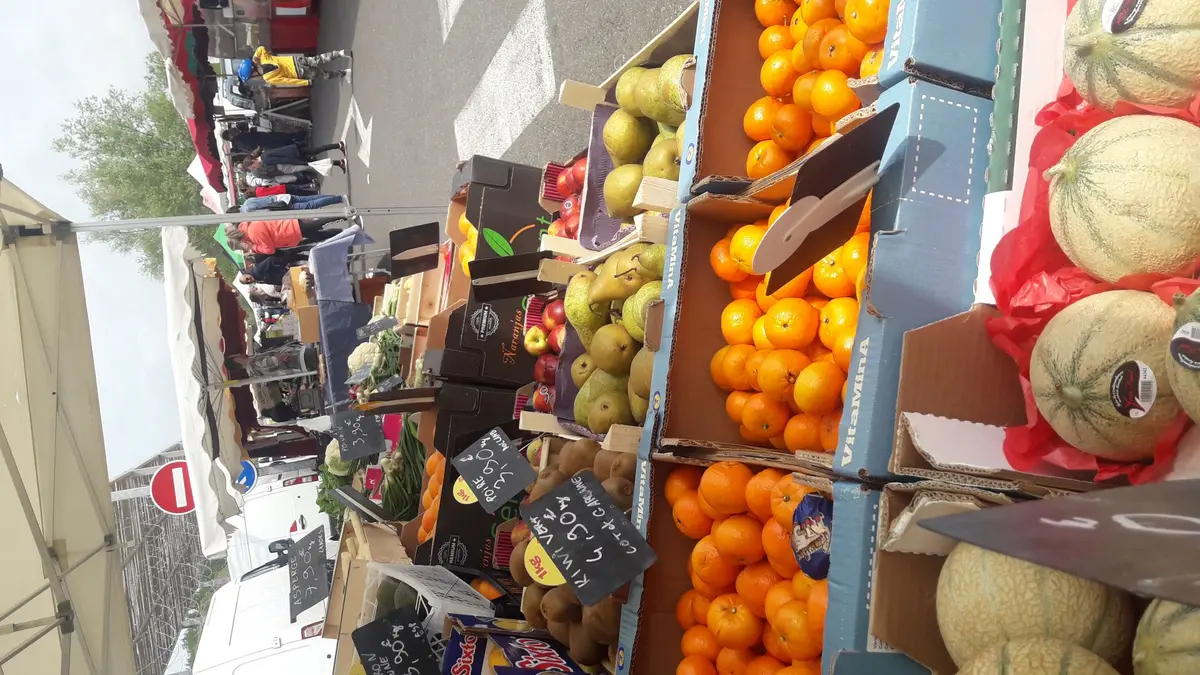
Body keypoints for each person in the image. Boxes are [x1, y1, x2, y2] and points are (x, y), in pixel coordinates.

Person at [238, 47, 351, 87]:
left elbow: (288, 81)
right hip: (296, 60)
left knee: (323, 75)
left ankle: (344, 73)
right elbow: (261, 48)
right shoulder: (264, 59)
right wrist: (255, 57)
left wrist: (305, 82)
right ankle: (340, 53)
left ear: (253, 73)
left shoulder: (268, 78)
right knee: (318, 59)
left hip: (300, 72)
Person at [225, 218, 345, 255]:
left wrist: (254, 247)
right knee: (319, 234)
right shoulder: (249, 227)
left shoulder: (253, 234)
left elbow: (270, 249)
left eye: (241, 247)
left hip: (290, 232)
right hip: (289, 227)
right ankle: (343, 230)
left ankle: (342, 218)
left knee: (318, 226)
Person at [236, 192, 344, 213]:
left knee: (311, 205)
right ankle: (336, 197)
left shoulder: (247, 211)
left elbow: (266, 211)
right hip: (279, 197)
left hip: (280, 206)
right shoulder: (247, 201)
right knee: (308, 199)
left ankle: (338, 199)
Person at [221, 128, 306, 154]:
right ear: (230, 136)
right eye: (230, 132)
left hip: (265, 142)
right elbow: (252, 146)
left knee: (283, 142)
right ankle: (301, 136)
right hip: (264, 140)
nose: (232, 131)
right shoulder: (239, 140)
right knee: (282, 137)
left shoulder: (238, 143)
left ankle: (300, 141)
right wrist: (259, 145)